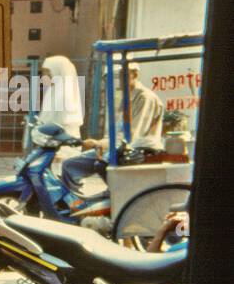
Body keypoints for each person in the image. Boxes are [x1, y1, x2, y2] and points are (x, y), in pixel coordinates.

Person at [63, 62, 165, 190]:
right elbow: (118, 130)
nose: (120, 80)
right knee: (69, 165)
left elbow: (132, 136)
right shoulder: (127, 97)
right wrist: (101, 144)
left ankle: (115, 195)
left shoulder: (144, 98)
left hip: (136, 151)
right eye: (119, 76)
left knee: (101, 164)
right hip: (117, 147)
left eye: (123, 75)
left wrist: (99, 144)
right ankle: (74, 203)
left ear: (135, 74)